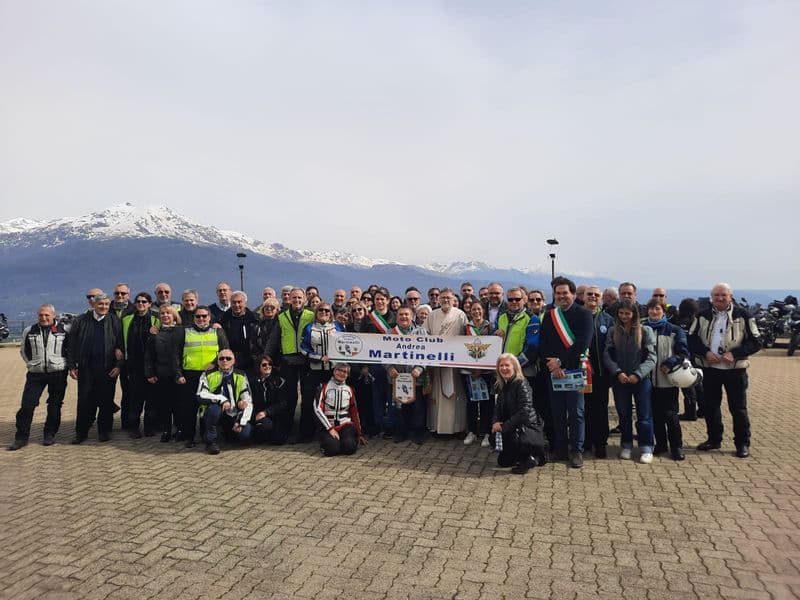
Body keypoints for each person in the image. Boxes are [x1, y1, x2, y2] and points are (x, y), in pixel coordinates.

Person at [689, 283, 761, 458]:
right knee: (710, 407)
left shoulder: (743, 315)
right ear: (711, 297)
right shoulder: (701, 315)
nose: (720, 298)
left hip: (735, 370)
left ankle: (742, 443)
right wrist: (705, 352)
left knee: (738, 408)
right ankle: (714, 439)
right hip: (710, 369)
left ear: (730, 296)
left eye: (724, 295)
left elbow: (756, 342)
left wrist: (735, 354)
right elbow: (691, 339)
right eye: (716, 295)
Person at [539, 277, 593, 468]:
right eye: (558, 293)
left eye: (565, 293)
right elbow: (543, 343)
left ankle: (576, 451)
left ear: (572, 293)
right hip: (554, 372)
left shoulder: (585, 314)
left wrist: (561, 362)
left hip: (576, 370)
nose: (562, 296)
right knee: (558, 412)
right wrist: (553, 365)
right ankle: (561, 449)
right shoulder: (550, 315)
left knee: (576, 412)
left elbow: (582, 344)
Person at [9, 304, 69, 450]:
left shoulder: (64, 330)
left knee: (54, 405)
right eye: (41, 315)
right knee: (27, 405)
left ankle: (49, 434)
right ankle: (21, 437)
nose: (43, 318)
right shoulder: (29, 331)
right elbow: (24, 350)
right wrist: (32, 363)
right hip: (35, 374)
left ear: (54, 315)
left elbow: (70, 349)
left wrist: (66, 364)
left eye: (47, 315)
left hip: (58, 372)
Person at [604, 299, 657, 463]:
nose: (624, 316)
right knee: (624, 413)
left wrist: (638, 374)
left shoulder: (645, 331)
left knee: (644, 414)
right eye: (621, 313)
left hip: (641, 380)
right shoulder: (613, 331)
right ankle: (626, 444)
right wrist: (617, 372)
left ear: (634, 314)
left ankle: (646, 447)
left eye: (627, 313)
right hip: (620, 380)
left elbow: (651, 357)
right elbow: (607, 354)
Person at [68, 293, 124, 444]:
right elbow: (72, 345)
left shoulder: (114, 320)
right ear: (94, 304)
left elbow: (121, 345)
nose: (104, 307)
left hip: (108, 368)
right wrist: (72, 366)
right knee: (85, 401)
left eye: (106, 304)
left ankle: (104, 431)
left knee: (106, 401)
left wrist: (119, 366)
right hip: (86, 369)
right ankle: (81, 432)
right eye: (101, 304)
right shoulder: (81, 320)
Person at [178, 306, 230, 448]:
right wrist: (179, 373)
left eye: (204, 316)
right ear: (194, 318)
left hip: (210, 375)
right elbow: (176, 354)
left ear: (209, 317)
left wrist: (214, 363)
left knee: (206, 406)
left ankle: (205, 435)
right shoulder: (185, 331)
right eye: (198, 316)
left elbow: (225, 351)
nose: (201, 319)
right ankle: (189, 437)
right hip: (190, 374)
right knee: (189, 408)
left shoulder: (217, 331)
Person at [645, 299, 689, 461]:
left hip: (667, 380)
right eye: (651, 309)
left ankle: (676, 446)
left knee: (671, 415)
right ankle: (661, 444)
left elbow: (683, 353)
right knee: (655, 415)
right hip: (648, 381)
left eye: (657, 309)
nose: (654, 312)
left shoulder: (674, 330)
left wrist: (669, 363)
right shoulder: (642, 329)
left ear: (664, 311)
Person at [490, 354, 547, 474]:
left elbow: (524, 412)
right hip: (513, 426)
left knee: (512, 438)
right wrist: (495, 422)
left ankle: (530, 457)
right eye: (501, 365)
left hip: (527, 427)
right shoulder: (502, 384)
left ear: (515, 367)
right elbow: (497, 408)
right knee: (503, 461)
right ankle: (528, 455)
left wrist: (504, 427)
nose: (504, 368)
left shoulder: (522, 384)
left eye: (507, 365)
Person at [299, 303, 344, 441]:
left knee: (334, 400)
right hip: (314, 370)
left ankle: (334, 431)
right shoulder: (308, 328)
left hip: (333, 371)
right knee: (309, 401)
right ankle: (306, 433)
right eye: (321, 310)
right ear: (316, 312)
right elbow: (302, 348)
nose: (324, 312)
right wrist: (318, 357)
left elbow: (345, 345)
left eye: (326, 310)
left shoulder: (337, 327)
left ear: (330, 313)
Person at [425, 288, 468, 434]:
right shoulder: (432, 315)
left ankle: (457, 428)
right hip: (437, 363)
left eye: (448, 298)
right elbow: (425, 336)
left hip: (455, 363)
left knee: (456, 395)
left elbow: (466, 336)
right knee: (437, 396)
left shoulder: (460, 315)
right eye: (442, 297)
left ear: (453, 298)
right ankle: (438, 428)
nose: (445, 300)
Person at [581, 285, 615, 458]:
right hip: (580, 373)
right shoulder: (576, 316)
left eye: (596, 295)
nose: (592, 297)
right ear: (583, 297)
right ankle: (585, 441)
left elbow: (612, 347)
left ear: (601, 298)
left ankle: (600, 443)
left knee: (600, 409)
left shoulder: (608, 320)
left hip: (601, 374)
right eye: (589, 294)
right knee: (583, 408)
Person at [197, 350, 253, 455]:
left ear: (234, 361)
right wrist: (222, 400)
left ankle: (229, 434)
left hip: (233, 413)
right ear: (217, 361)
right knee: (214, 410)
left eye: (228, 358)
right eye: (221, 358)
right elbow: (200, 394)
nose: (225, 361)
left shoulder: (241, 375)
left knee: (245, 434)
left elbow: (248, 400)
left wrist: (240, 421)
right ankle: (211, 442)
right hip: (215, 412)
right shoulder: (208, 374)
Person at [386, 307, 428, 444]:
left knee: (418, 408)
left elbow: (429, 353)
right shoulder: (390, 333)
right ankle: (401, 432)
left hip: (416, 378)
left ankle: (418, 433)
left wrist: (420, 368)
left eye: (406, 314)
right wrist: (389, 368)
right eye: (401, 315)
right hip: (397, 378)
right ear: (396, 317)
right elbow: (382, 354)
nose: (404, 317)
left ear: (412, 316)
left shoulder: (421, 332)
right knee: (399, 407)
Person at [122, 292, 161, 437]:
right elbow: (121, 339)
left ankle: (149, 427)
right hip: (134, 364)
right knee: (135, 398)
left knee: (152, 398)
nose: (141, 304)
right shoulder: (127, 319)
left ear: (150, 304)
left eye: (144, 302)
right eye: (138, 301)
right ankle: (133, 427)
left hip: (152, 365)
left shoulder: (156, 320)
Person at [278, 288, 315, 438]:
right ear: (289, 299)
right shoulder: (282, 316)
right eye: (294, 298)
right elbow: (275, 337)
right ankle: (287, 430)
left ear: (305, 299)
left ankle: (306, 432)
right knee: (289, 397)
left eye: (299, 297)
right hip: (289, 360)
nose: (297, 300)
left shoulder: (312, 315)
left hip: (306, 359)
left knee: (307, 397)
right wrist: (268, 355)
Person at [144, 303, 184, 442]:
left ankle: (179, 429)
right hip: (162, 373)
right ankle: (166, 429)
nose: (165, 316)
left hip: (179, 374)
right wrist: (150, 373)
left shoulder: (182, 331)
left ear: (174, 315)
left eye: (168, 313)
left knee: (179, 404)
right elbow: (149, 355)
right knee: (164, 404)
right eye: (162, 314)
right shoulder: (155, 333)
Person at [364, 288, 397, 437]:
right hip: (374, 362)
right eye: (377, 299)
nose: (380, 301)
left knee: (391, 396)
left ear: (388, 300)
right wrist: (364, 365)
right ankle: (378, 425)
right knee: (376, 396)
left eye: (383, 299)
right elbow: (362, 343)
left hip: (392, 362)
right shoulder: (368, 319)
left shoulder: (395, 318)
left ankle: (390, 426)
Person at [462, 303, 494, 447]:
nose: (476, 312)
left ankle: (487, 432)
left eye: (479, 309)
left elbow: (493, 348)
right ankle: (472, 431)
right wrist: (472, 368)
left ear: (483, 311)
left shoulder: (491, 327)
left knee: (488, 403)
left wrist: (482, 368)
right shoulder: (464, 328)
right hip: (469, 372)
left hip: (487, 372)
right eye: (474, 309)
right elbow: (460, 349)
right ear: (470, 311)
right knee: (472, 402)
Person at [315, 363, 364, 456]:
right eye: (339, 370)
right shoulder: (324, 387)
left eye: (345, 372)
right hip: (328, 425)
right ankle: (330, 442)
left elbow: (354, 412)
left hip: (345, 424)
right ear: (334, 371)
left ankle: (344, 441)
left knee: (349, 448)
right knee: (332, 450)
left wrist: (359, 434)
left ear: (348, 375)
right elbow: (317, 409)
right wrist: (330, 429)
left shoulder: (349, 389)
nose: (342, 373)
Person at [248, 356, 291, 445]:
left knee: (279, 439)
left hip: (274, 414)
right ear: (258, 367)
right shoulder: (252, 382)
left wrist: (266, 412)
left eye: (270, 364)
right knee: (265, 426)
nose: (267, 367)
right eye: (264, 365)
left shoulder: (279, 381)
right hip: (258, 415)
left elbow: (283, 403)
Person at [676, 298, 703, 421]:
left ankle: (690, 412)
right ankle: (702, 410)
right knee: (698, 384)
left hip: (685, 358)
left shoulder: (681, 322)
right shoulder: (697, 321)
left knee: (687, 386)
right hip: (697, 357)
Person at [219, 291, 258, 372]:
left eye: (239, 302)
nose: (237, 305)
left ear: (245, 303)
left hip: (249, 359)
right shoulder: (224, 319)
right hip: (229, 359)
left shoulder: (254, 319)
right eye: (234, 302)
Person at [496, 288, 530, 366]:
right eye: (510, 299)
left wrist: (516, 364)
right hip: (504, 366)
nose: (514, 302)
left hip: (522, 367)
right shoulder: (502, 317)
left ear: (523, 300)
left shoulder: (531, 318)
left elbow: (532, 347)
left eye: (517, 299)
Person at [253, 298, 281, 365]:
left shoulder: (281, 324)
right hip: (261, 360)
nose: (269, 309)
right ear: (262, 310)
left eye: (272, 307)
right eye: (266, 307)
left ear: (277, 310)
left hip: (278, 360)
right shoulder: (258, 325)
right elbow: (254, 343)